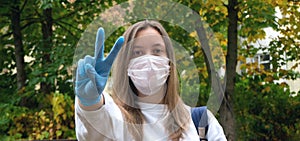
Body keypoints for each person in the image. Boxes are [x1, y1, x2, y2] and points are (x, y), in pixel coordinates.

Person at [74, 20, 226, 141]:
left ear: (169, 61)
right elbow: (94, 131)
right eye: (137, 52)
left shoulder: (201, 122)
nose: (148, 59)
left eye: (157, 51)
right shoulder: (115, 119)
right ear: (125, 63)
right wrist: (90, 101)